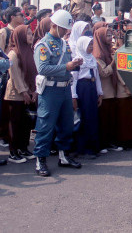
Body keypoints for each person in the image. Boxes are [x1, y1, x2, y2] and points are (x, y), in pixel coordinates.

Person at [33, 10, 83, 177]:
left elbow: (67, 64)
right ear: (53, 26)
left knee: (67, 124)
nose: (65, 32)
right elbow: (42, 68)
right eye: (62, 29)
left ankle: (63, 155)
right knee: (45, 125)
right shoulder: (43, 45)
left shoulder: (64, 44)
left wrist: (75, 64)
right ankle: (41, 159)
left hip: (64, 88)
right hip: (50, 90)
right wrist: (66, 67)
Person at [4, 25, 38, 163]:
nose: (31, 36)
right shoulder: (13, 54)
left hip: (28, 93)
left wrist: (34, 91)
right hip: (15, 94)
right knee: (15, 123)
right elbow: (15, 76)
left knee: (26, 123)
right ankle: (13, 151)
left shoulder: (29, 51)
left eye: (31, 34)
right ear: (21, 36)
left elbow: (33, 73)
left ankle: (23, 148)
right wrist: (24, 92)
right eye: (28, 34)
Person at [72, 36, 103, 159]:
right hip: (82, 88)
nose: (91, 47)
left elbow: (97, 77)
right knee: (83, 118)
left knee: (92, 117)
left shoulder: (92, 59)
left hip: (91, 87)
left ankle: (93, 147)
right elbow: (73, 80)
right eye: (89, 45)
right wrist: (74, 96)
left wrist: (100, 93)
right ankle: (82, 148)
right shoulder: (77, 59)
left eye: (92, 45)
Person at [94, 27, 124, 153]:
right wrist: (114, 61)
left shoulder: (107, 50)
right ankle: (104, 144)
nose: (110, 38)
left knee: (111, 120)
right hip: (105, 92)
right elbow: (104, 72)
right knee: (105, 121)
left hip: (112, 91)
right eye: (107, 36)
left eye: (110, 35)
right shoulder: (98, 54)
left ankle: (110, 142)